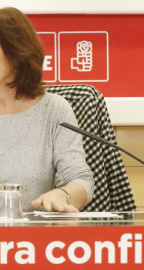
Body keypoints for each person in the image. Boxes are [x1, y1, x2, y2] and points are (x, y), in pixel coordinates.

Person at [0, 7, 94, 212]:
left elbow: (80, 179)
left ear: (17, 53)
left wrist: (64, 195)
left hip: (34, 239)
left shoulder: (54, 110)